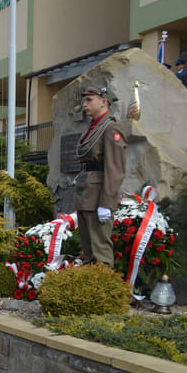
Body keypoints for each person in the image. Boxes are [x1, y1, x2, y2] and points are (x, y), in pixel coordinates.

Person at [73, 85, 127, 268]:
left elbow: (115, 169)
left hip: (98, 196)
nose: (84, 104)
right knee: (88, 250)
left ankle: (104, 290)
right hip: (86, 192)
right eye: (84, 100)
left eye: (89, 100)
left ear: (104, 102)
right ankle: (90, 291)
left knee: (100, 250)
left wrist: (107, 203)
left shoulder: (111, 128)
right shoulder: (92, 127)